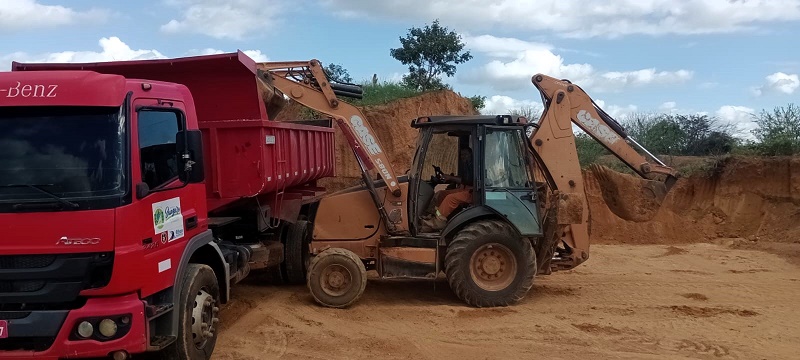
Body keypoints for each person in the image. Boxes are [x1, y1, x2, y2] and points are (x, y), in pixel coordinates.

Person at [421, 147, 473, 232]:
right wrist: (449, 178)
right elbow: (463, 178)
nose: (463, 157)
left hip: (473, 192)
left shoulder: (474, 165)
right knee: (441, 194)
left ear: (470, 154)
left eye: (465, 154)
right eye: (462, 155)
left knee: (450, 198)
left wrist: (451, 178)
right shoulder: (466, 165)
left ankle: (439, 222)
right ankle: (432, 214)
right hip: (464, 189)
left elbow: (469, 180)